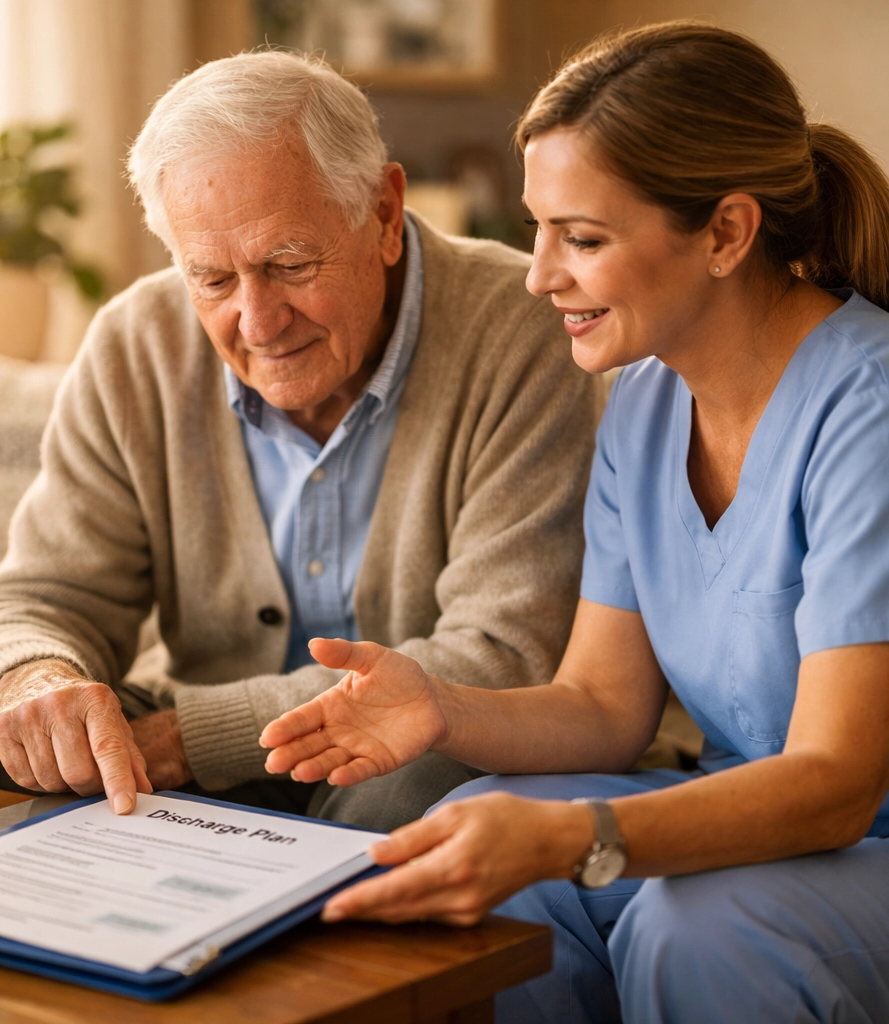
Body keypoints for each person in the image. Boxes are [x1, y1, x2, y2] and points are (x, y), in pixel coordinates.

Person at [260, 23, 889, 1023]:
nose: (538, 274)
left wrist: (573, 836)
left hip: (858, 838)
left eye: (582, 239)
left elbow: (838, 783)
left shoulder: (869, 406)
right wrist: (440, 708)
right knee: (476, 838)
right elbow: (603, 704)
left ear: (726, 234)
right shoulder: (642, 403)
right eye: (538, 230)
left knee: (700, 924)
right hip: (767, 823)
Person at [0, 51, 595, 833]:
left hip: (412, 742)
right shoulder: (136, 342)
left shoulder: (521, 330)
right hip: (178, 727)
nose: (257, 323)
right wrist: (35, 681)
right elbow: (36, 597)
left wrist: (196, 736)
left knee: (401, 804)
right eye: (212, 280)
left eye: (289, 264)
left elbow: (501, 652)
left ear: (385, 214)